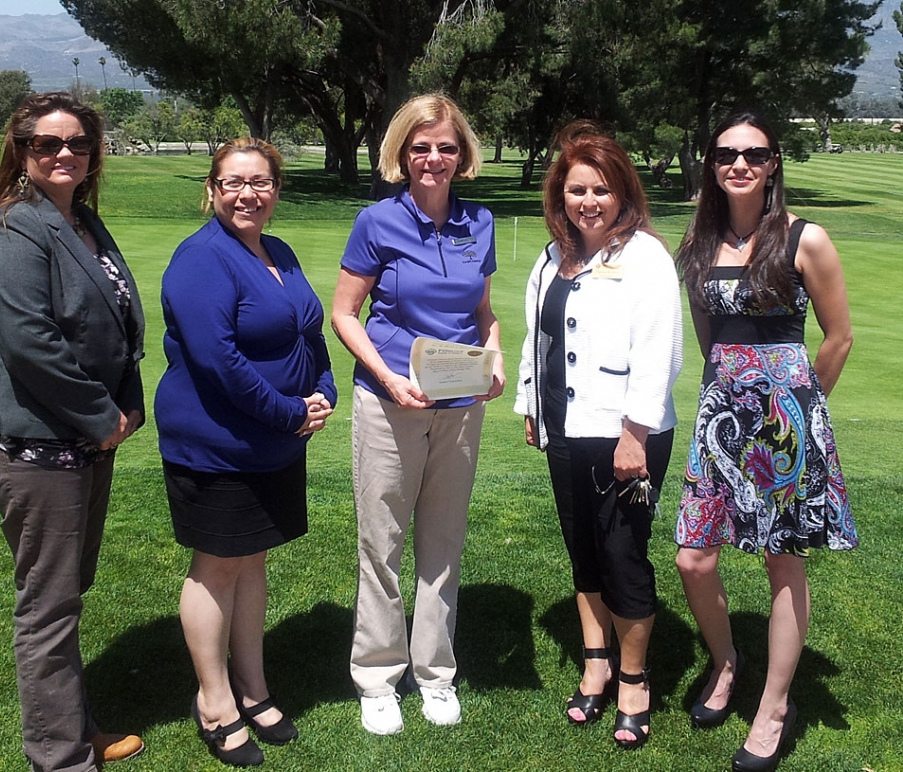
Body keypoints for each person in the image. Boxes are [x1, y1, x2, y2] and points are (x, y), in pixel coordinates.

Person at [0, 91, 146, 772]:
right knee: (47, 610)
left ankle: (71, 728)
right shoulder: (17, 229)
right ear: (21, 151)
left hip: (76, 446)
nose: (65, 153)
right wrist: (105, 419)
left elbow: (119, 325)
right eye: (47, 143)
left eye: (77, 143)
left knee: (65, 596)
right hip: (33, 450)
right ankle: (60, 758)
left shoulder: (83, 222)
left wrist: (126, 401)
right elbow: (30, 344)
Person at [675, 109, 856, 772]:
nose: (740, 164)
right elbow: (710, 343)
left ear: (773, 163)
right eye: (726, 154)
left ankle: (775, 705)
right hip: (721, 418)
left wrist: (802, 413)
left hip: (785, 427)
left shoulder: (805, 239)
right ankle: (726, 663)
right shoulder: (694, 248)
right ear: (712, 164)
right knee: (693, 558)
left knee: (783, 562)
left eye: (754, 153)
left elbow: (838, 338)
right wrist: (733, 394)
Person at [155, 137, 336, 768]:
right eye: (233, 182)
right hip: (218, 446)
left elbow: (307, 329)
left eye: (260, 183)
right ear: (212, 189)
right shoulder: (201, 259)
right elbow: (219, 363)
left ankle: (254, 687)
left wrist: (324, 387)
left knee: (253, 562)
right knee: (217, 566)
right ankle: (214, 700)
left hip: (274, 444)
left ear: (276, 192)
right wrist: (291, 412)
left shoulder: (277, 252)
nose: (247, 195)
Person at [331, 94, 504, 735]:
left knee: (443, 542)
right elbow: (345, 312)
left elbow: (482, 312)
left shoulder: (479, 221)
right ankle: (378, 676)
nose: (434, 158)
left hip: (460, 406)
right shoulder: (377, 221)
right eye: (422, 147)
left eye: (447, 147)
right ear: (403, 154)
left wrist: (496, 356)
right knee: (382, 542)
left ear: (463, 155)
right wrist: (386, 376)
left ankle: (435, 673)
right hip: (389, 403)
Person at [514, 122, 682, 750]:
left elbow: (660, 353)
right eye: (576, 189)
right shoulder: (551, 256)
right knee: (583, 549)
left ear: (622, 194)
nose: (588, 201)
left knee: (623, 555)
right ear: (560, 194)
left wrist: (634, 434)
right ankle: (596, 660)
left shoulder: (644, 257)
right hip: (565, 430)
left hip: (624, 436)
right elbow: (539, 336)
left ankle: (634, 679)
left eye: (601, 190)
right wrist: (530, 403)